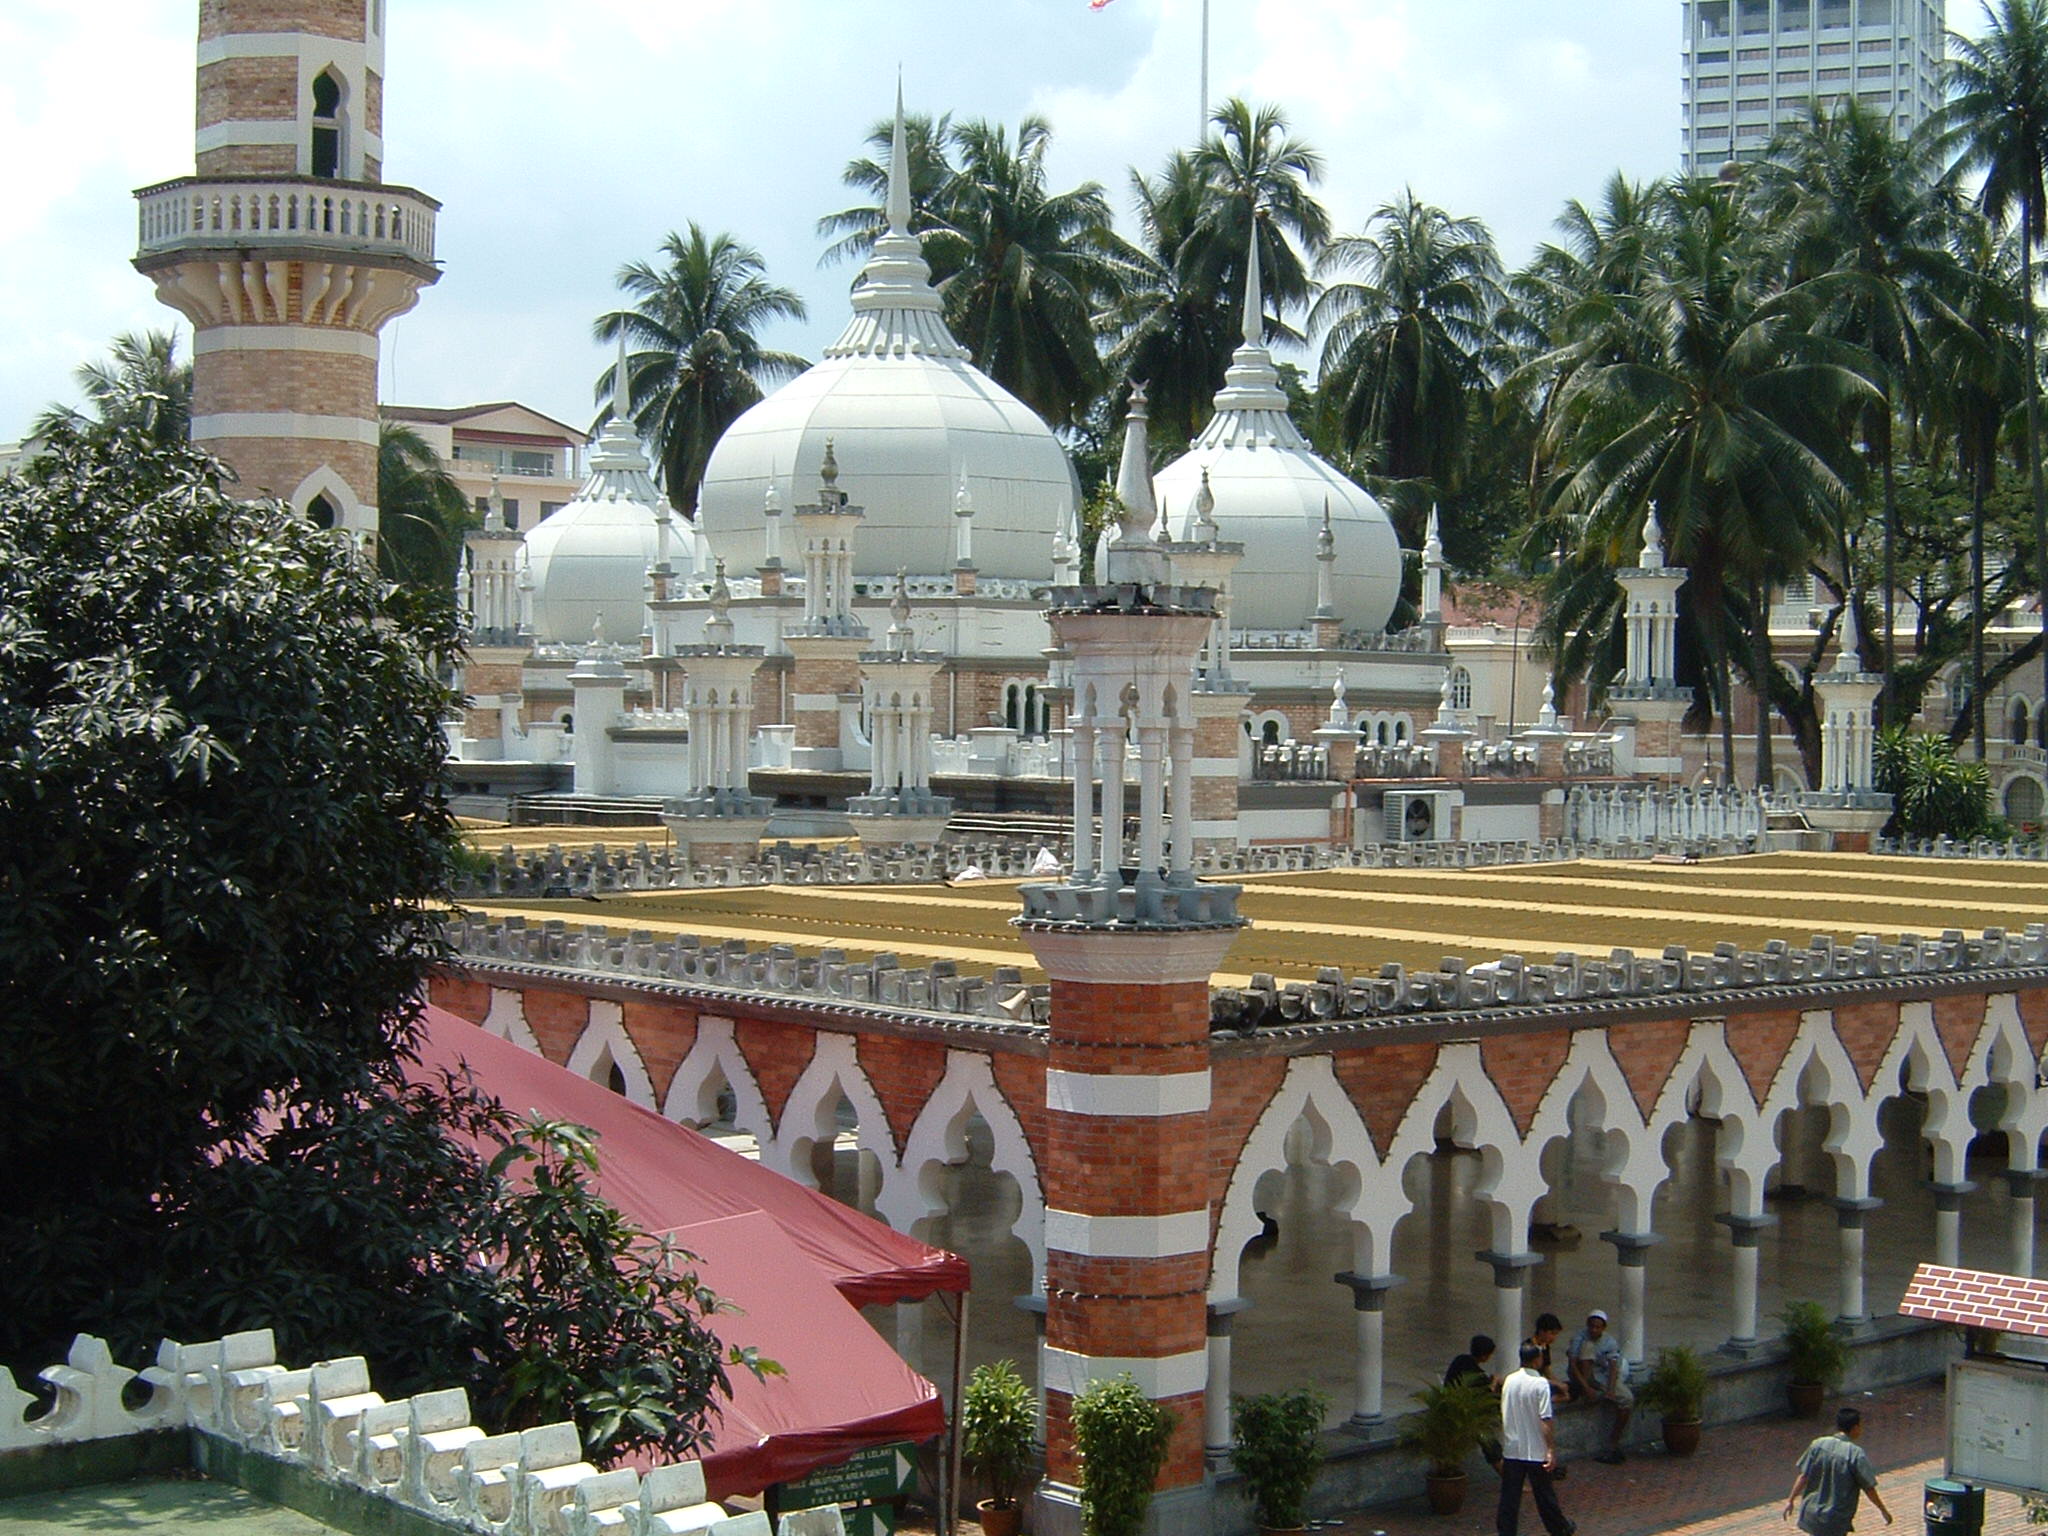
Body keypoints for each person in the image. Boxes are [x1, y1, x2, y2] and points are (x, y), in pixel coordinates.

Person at [1498, 1341, 1575, 1536]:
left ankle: (1506, 1532)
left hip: (1513, 1449)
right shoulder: (1540, 1384)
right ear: (1536, 1360)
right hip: (1535, 1450)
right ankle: (1560, 1529)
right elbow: (1545, 1419)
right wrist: (1550, 1450)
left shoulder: (1509, 1380)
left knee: (1509, 1498)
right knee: (1544, 1495)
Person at [1784, 1407, 1893, 1536]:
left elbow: (1803, 1476)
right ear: (1855, 1428)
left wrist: (1790, 1500)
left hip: (1812, 1513)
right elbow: (1869, 1487)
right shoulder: (1855, 1454)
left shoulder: (1817, 1445)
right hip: (1834, 1519)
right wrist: (1883, 1510)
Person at [1565, 1309, 1634, 1464]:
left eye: (1598, 1327)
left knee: (1627, 1399)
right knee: (1587, 1347)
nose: (1594, 1330)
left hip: (1601, 1376)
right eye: (1592, 1326)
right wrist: (1586, 1387)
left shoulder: (1609, 1342)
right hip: (1583, 1375)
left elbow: (1613, 1366)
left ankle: (1614, 1441)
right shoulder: (1580, 1338)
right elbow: (1573, 1364)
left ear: (1603, 1328)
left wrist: (1610, 1390)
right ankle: (1586, 1387)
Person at [1447, 1334, 1504, 1471]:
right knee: (1491, 1447)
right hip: (1465, 1415)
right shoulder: (1477, 1375)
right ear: (1485, 1355)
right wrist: (1494, 1382)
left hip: (1450, 1406)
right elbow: (1486, 1396)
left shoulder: (1460, 1361)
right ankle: (1510, 1481)